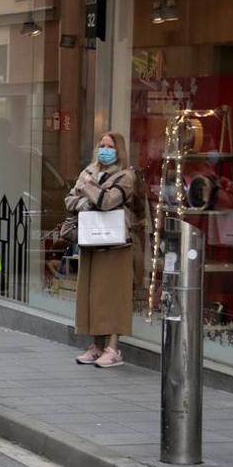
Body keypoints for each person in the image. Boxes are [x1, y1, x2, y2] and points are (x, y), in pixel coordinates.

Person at [66, 132, 137, 368]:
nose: (104, 150)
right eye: (102, 145)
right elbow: (70, 200)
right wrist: (90, 197)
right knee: (91, 293)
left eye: (110, 146)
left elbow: (109, 201)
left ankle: (113, 348)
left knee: (113, 294)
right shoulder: (88, 172)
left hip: (115, 243)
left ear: (120, 150)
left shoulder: (126, 176)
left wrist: (88, 192)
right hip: (90, 239)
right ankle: (96, 346)